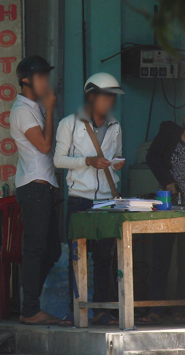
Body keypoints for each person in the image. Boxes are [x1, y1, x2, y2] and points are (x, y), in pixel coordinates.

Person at [54, 72, 125, 326]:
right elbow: (58, 160)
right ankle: (77, 309)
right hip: (79, 200)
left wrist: (115, 165)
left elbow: (116, 155)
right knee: (78, 257)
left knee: (105, 257)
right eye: (106, 97)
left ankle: (103, 309)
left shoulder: (115, 125)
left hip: (107, 200)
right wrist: (88, 162)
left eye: (112, 97)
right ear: (92, 96)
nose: (110, 102)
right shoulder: (69, 123)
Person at [10, 55, 62, 325]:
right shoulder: (22, 109)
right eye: (41, 76)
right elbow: (43, 146)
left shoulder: (33, 107)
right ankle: (29, 309)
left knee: (51, 250)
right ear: (26, 80)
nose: (46, 81)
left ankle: (26, 302)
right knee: (34, 250)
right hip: (33, 189)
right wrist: (51, 109)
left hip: (43, 188)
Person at [139, 111, 185, 325]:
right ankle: (155, 309)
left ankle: (181, 309)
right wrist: (167, 181)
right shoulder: (168, 133)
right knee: (160, 259)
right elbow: (152, 157)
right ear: (184, 123)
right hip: (166, 203)